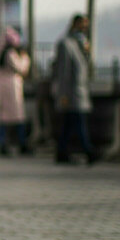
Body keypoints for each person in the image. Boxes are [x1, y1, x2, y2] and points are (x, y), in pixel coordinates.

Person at [51, 14, 99, 165]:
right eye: (82, 26)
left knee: (69, 123)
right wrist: (63, 95)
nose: (84, 29)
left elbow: (85, 67)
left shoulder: (82, 43)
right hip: (71, 93)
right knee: (78, 122)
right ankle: (88, 151)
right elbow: (63, 72)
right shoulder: (66, 44)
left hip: (79, 91)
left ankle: (62, 151)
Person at [0, 27, 31, 156]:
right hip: (12, 87)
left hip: (1, 86)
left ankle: (2, 143)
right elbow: (21, 68)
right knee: (18, 117)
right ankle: (22, 143)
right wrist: (25, 58)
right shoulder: (12, 54)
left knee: (3, 118)